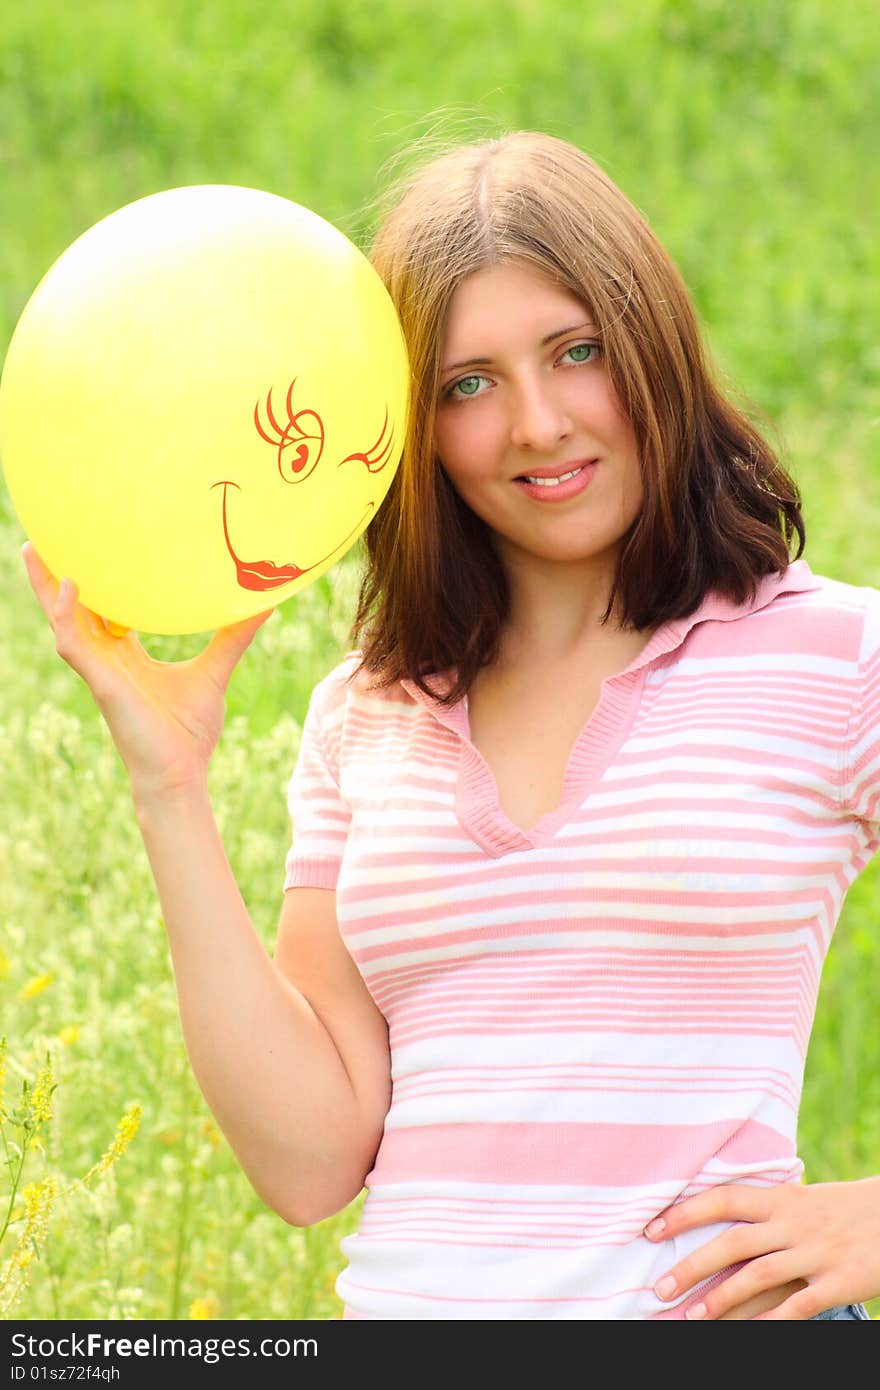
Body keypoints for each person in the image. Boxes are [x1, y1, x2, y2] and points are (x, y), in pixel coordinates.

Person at [21, 130, 880, 1321]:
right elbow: (311, 1160)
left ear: (654, 346)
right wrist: (167, 781)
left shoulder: (835, 656)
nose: (535, 423)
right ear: (410, 428)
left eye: (576, 352)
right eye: (466, 384)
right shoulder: (365, 715)